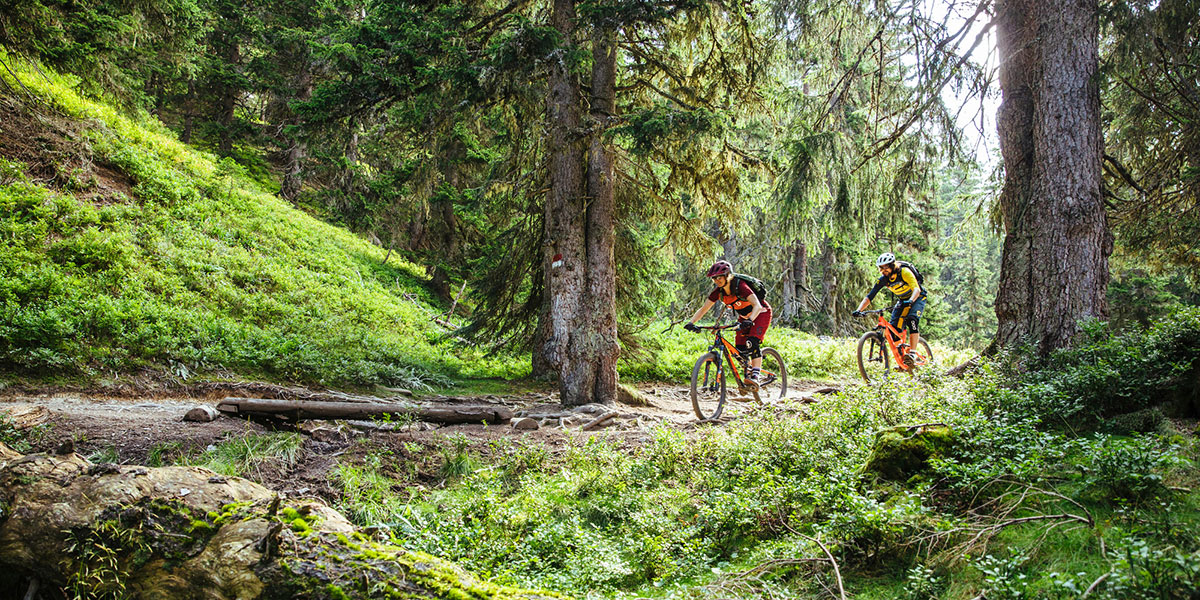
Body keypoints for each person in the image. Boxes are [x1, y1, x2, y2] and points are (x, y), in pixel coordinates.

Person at [684, 260, 772, 384]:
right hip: (744, 317)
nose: (716, 280)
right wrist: (691, 322)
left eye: (719, 277)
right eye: (714, 278)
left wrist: (750, 320)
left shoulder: (740, 286)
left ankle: (755, 376)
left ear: (727, 275)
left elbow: (757, 305)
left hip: (761, 313)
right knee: (740, 350)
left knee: (751, 342)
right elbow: (704, 309)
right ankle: (748, 374)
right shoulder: (718, 292)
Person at [853, 252, 927, 365]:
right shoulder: (883, 279)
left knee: (912, 319)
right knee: (893, 331)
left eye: (886, 267)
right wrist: (859, 310)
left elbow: (916, 289)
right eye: (881, 268)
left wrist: (911, 301)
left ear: (892, 265)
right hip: (903, 300)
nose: (883, 270)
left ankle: (912, 353)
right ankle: (903, 360)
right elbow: (869, 297)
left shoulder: (904, 272)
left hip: (917, 297)